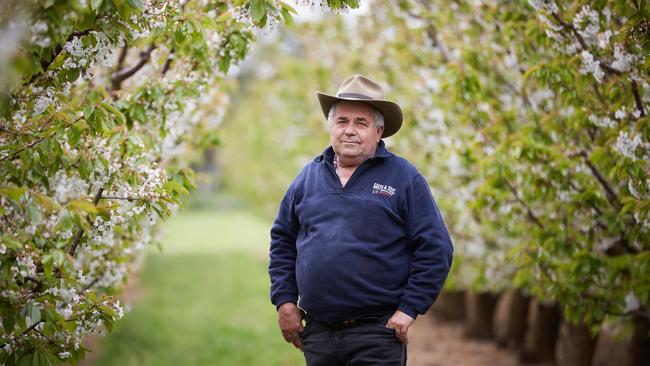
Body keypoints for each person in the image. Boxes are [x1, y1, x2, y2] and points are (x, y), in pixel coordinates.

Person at [269, 74, 453, 365]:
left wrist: (409, 309)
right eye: (342, 121)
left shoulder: (404, 179)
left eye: (361, 123)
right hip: (317, 334)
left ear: (379, 131)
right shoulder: (307, 178)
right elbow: (282, 239)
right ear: (331, 127)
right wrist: (285, 301)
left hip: (377, 334)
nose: (349, 130)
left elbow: (436, 248)